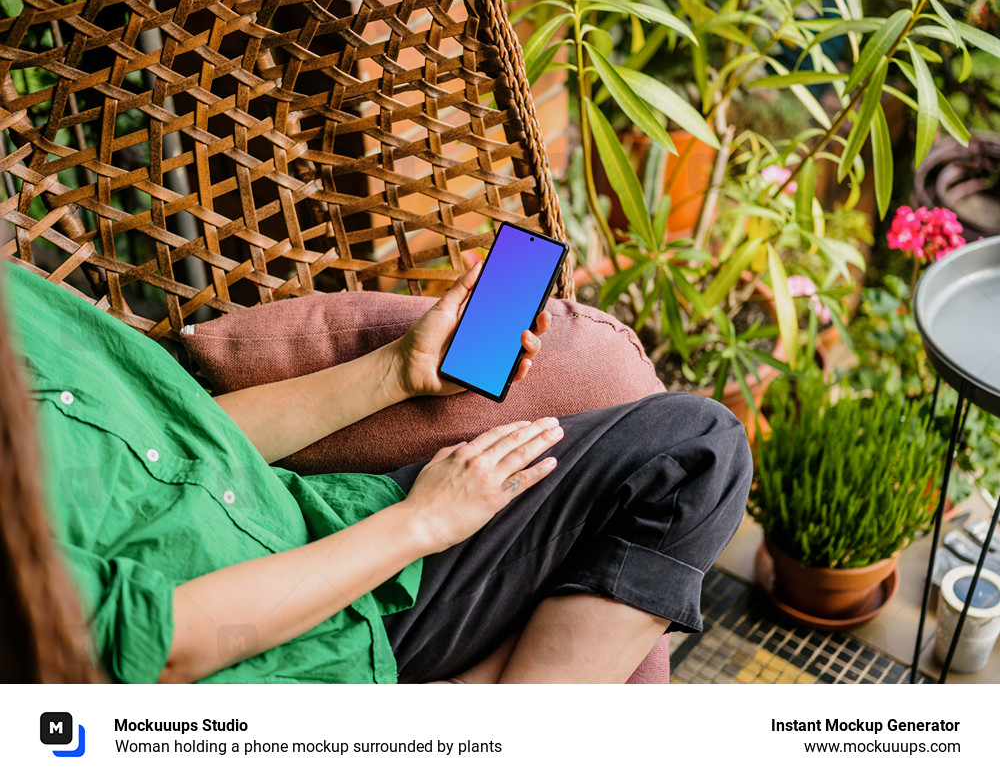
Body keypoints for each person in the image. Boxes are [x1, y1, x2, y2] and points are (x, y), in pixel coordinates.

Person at [0, 259, 751, 684]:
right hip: (294, 656)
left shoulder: (15, 301)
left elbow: (175, 434)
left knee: (695, 451)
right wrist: (416, 524)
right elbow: (156, 647)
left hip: (324, 529)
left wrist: (398, 370)